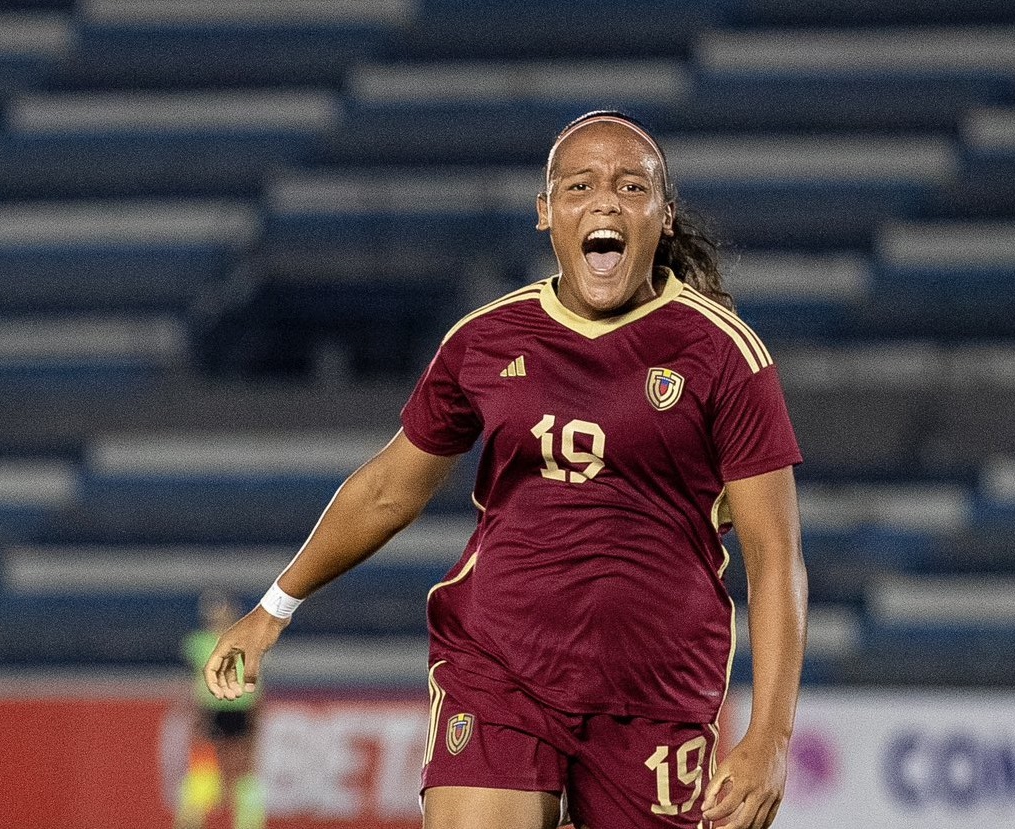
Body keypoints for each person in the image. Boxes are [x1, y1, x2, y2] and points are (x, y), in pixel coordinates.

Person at [205, 110, 808, 829]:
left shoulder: (723, 354)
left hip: (655, 690)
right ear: (546, 214)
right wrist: (275, 607)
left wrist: (770, 737)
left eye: (630, 186)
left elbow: (775, 555)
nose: (605, 201)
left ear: (664, 215)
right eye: (579, 185)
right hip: (500, 670)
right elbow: (387, 489)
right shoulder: (485, 341)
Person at [179, 593, 266, 829]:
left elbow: (256, 680)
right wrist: (197, 714)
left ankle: (249, 824)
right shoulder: (198, 642)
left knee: (242, 770)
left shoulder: (247, 642)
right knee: (204, 768)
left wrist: (257, 716)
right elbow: (195, 681)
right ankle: (191, 821)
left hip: (241, 708)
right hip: (212, 709)